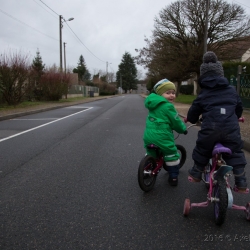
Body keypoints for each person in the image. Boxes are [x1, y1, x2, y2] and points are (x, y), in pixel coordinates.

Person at [187, 51, 248, 192]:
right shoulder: (232, 91)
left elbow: (194, 111)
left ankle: (196, 173)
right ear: (221, 74)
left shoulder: (203, 93)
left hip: (210, 129)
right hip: (231, 130)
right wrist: (235, 115)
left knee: (203, 148)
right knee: (236, 152)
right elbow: (238, 107)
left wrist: (192, 119)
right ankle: (241, 182)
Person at [143, 79, 187, 186]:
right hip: (162, 136)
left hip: (149, 135)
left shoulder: (152, 104)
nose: (171, 95)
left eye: (173, 93)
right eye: (168, 93)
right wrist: (183, 129)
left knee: (151, 153)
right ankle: (173, 177)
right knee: (171, 153)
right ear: (160, 94)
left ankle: (146, 169)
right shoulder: (168, 106)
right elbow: (175, 121)